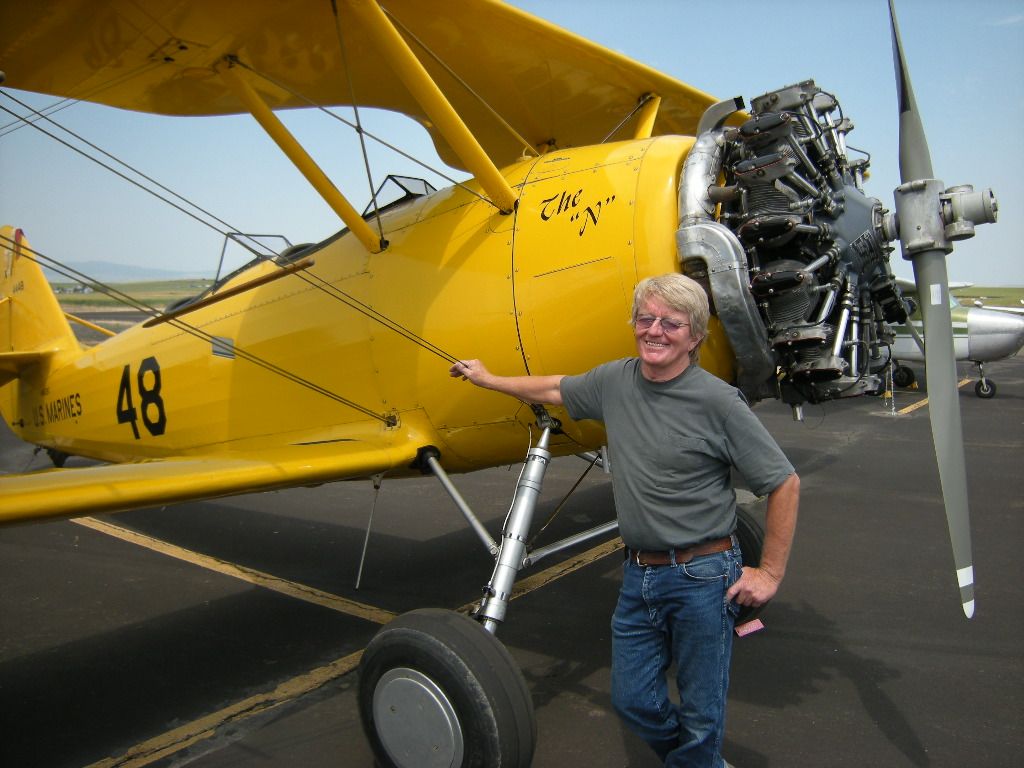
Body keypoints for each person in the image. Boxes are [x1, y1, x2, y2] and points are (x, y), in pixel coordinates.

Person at [449, 273, 799, 768]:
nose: (655, 331)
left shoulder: (718, 402)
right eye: (646, 318)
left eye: (671, 323)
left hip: (703, 574)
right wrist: (488, 379)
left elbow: (783, 482)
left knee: (701, 713)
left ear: (695, 337)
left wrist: (770, 573)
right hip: (639, 573)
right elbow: (553, 387)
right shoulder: (616, 380)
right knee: (633, 700)